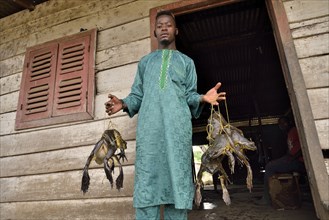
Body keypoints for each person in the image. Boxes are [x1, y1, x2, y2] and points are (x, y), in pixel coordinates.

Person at [105, 10, 226, 220]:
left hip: (177, 129)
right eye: (159, 25)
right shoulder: (145, 63)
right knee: (147, 182)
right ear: (154, 31)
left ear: (176, 30)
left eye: (168, 25)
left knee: (176, 180)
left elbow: (189, 95)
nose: (163, 28)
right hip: (149, 130)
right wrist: (124, 104)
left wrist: (202, 99)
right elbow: (137, 95)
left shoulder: (187, 63)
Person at [256, 116, 305, 205]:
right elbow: (292, 149)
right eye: (280, 124)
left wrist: (292, 158)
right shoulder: (289, 133)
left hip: (299, 162)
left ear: (289, 122)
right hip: (292, 159)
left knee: (270, 167)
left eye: (284, 123)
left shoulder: (295, 131)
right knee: (272, 164)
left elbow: (303, 147)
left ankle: (267, 198)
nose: (282, 125)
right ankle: (277, 193)